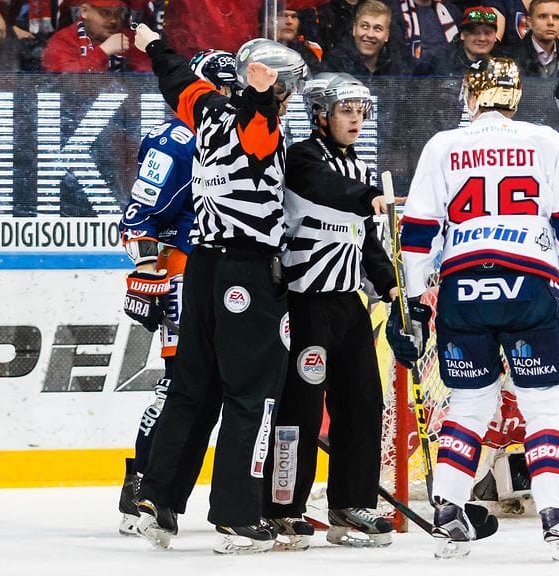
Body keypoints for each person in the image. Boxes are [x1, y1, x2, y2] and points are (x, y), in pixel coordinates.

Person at [389, 56, 559, 560]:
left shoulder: (443, 144)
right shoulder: (544, 139)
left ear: (471, 94)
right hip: (529, 282)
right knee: (543, 403)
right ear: (516, 95)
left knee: (468, 406)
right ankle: (556, 519)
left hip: (462, 287)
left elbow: (416, 233)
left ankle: (449, 516)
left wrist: (415, 301)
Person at [130, 23, 308, 554]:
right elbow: (257, 132)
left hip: (204, 268)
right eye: (285, 89)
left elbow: (177, 80)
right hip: (247, 274)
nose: (288, 98)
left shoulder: (206, 113)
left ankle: (157, 498)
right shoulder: (260, 124)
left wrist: (154, 45)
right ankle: (236, 515)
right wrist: (261, 96)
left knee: (191, 386)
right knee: (252, 395)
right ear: (270, 88)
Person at [259, 73, 398, 550]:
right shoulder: (300, 159)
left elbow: (367, 240)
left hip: (347, 304)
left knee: (363, 403)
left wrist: (390, 284)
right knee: (299, 409)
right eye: (346, 109)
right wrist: (368, 198)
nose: (356, 118)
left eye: (361, 109)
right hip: (305, 304)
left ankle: (349, 503)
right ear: (320, 115)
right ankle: (282, 507)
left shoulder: (359, 166)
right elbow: (326, 190)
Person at [115, 48, 239, 537]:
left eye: (233, 90)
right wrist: (147, 271)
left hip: (236, 279)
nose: (227, 98)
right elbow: (137, 217)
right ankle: (142, 483)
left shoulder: (242, 131)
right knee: (179, 386)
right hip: (186, 275)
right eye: (220, 88)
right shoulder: (176, 141)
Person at [41, 0, 150, 72]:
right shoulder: (62, 40)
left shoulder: (131, 39)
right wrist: (103, 52)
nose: (113, 20)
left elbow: (148, 79)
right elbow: (64, 83)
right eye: (105, 13)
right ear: (84, 11)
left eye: (118, 13)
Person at [323, 0, 415, 77]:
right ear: (354, 29)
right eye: (364, 26)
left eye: (378, 29)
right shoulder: (334, 64)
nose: (370, 34)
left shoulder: (398, 67)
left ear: (387, 35)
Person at [508, 0, 559, 78]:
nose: (551, 22)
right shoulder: (512, 59)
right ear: (529, 22)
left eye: (556, 17)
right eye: (543, 16)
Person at [431, 5, 502, 76]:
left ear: (495, 36)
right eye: (475, 32)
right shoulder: (442, 64)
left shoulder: (504, 65)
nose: (482, 38)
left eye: (487, 33)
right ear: (462, 35)